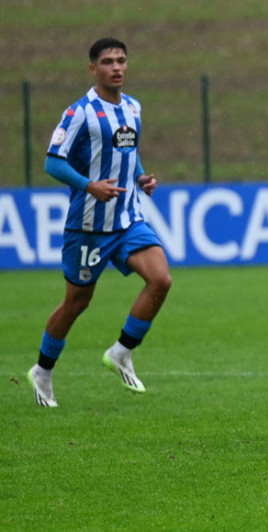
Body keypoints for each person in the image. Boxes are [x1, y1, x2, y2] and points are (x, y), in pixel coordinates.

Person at [26, 37, 172, 407]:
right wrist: (89, 185)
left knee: (160, 279)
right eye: (108, 62)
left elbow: (129, 150)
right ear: (94, 69)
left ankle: (122, 351)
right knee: (76, 302)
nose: (117, 67)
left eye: (121, 60)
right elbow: (53, 162)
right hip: (89, 226)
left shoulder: (133, 108)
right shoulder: (79, 113)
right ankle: (42, 371)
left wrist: (139, 177)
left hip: (127, 219)